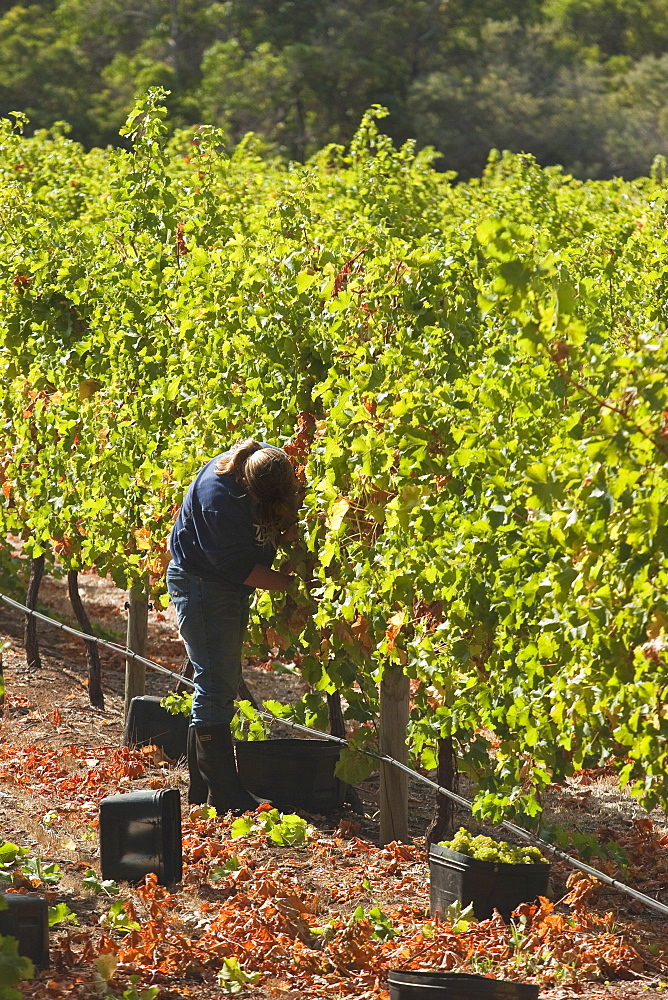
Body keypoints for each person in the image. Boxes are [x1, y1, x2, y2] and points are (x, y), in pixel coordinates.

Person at [166, 438, 299, 812]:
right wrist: (296, 587)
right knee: (214, 684)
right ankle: (224, 794)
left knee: (216, 681)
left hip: (224, 586)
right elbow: (238, 569)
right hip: (203, 585)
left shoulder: (270, 462)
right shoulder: (218, 499)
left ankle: (204, 790)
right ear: (247, 488)